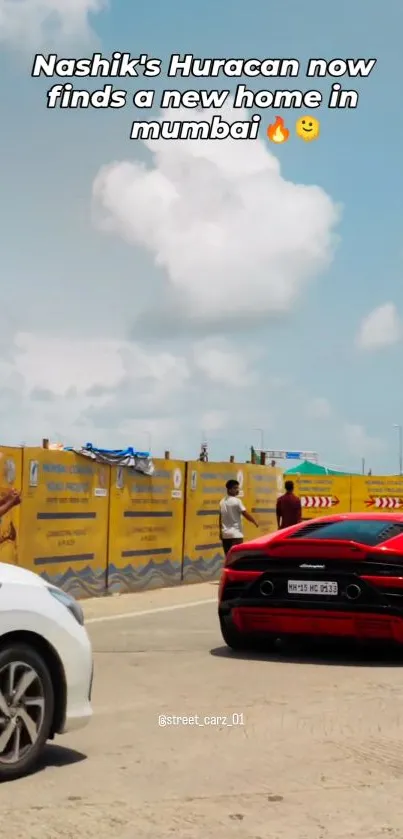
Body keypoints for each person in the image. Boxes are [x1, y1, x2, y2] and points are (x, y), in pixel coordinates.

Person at [219, 479, 258, 556]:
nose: (237, 490)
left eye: (237, 488)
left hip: (225, 535)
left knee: (228, 557)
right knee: (237, 558)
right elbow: (245, 513)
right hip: (236, 535)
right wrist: (254, 521)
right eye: (235, 488)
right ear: (229, 490)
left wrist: (220, 532)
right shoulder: (237, 501)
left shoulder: (222, 501)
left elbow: (220, 518)